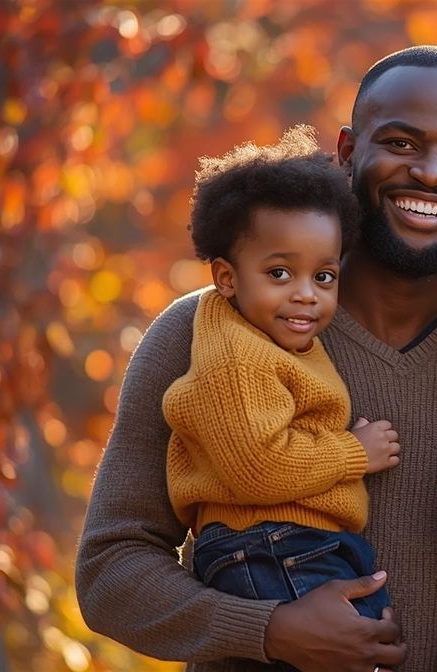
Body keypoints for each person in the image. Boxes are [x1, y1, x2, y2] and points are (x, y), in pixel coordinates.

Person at [76, 46, 437, 672]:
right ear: (348, 150)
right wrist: (267, 629)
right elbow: (110, 569)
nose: (433, 174)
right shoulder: (210, 329)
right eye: (403, 143)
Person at [162, 127, 399, 652]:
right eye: (279, 272)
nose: (305, 295)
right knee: (352, 651)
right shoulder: (234, 355)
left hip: (294, 542)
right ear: (226, 278)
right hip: (267, 544)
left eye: (324, 277)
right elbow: (256, 467)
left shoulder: (284, 343)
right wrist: (352, 453)